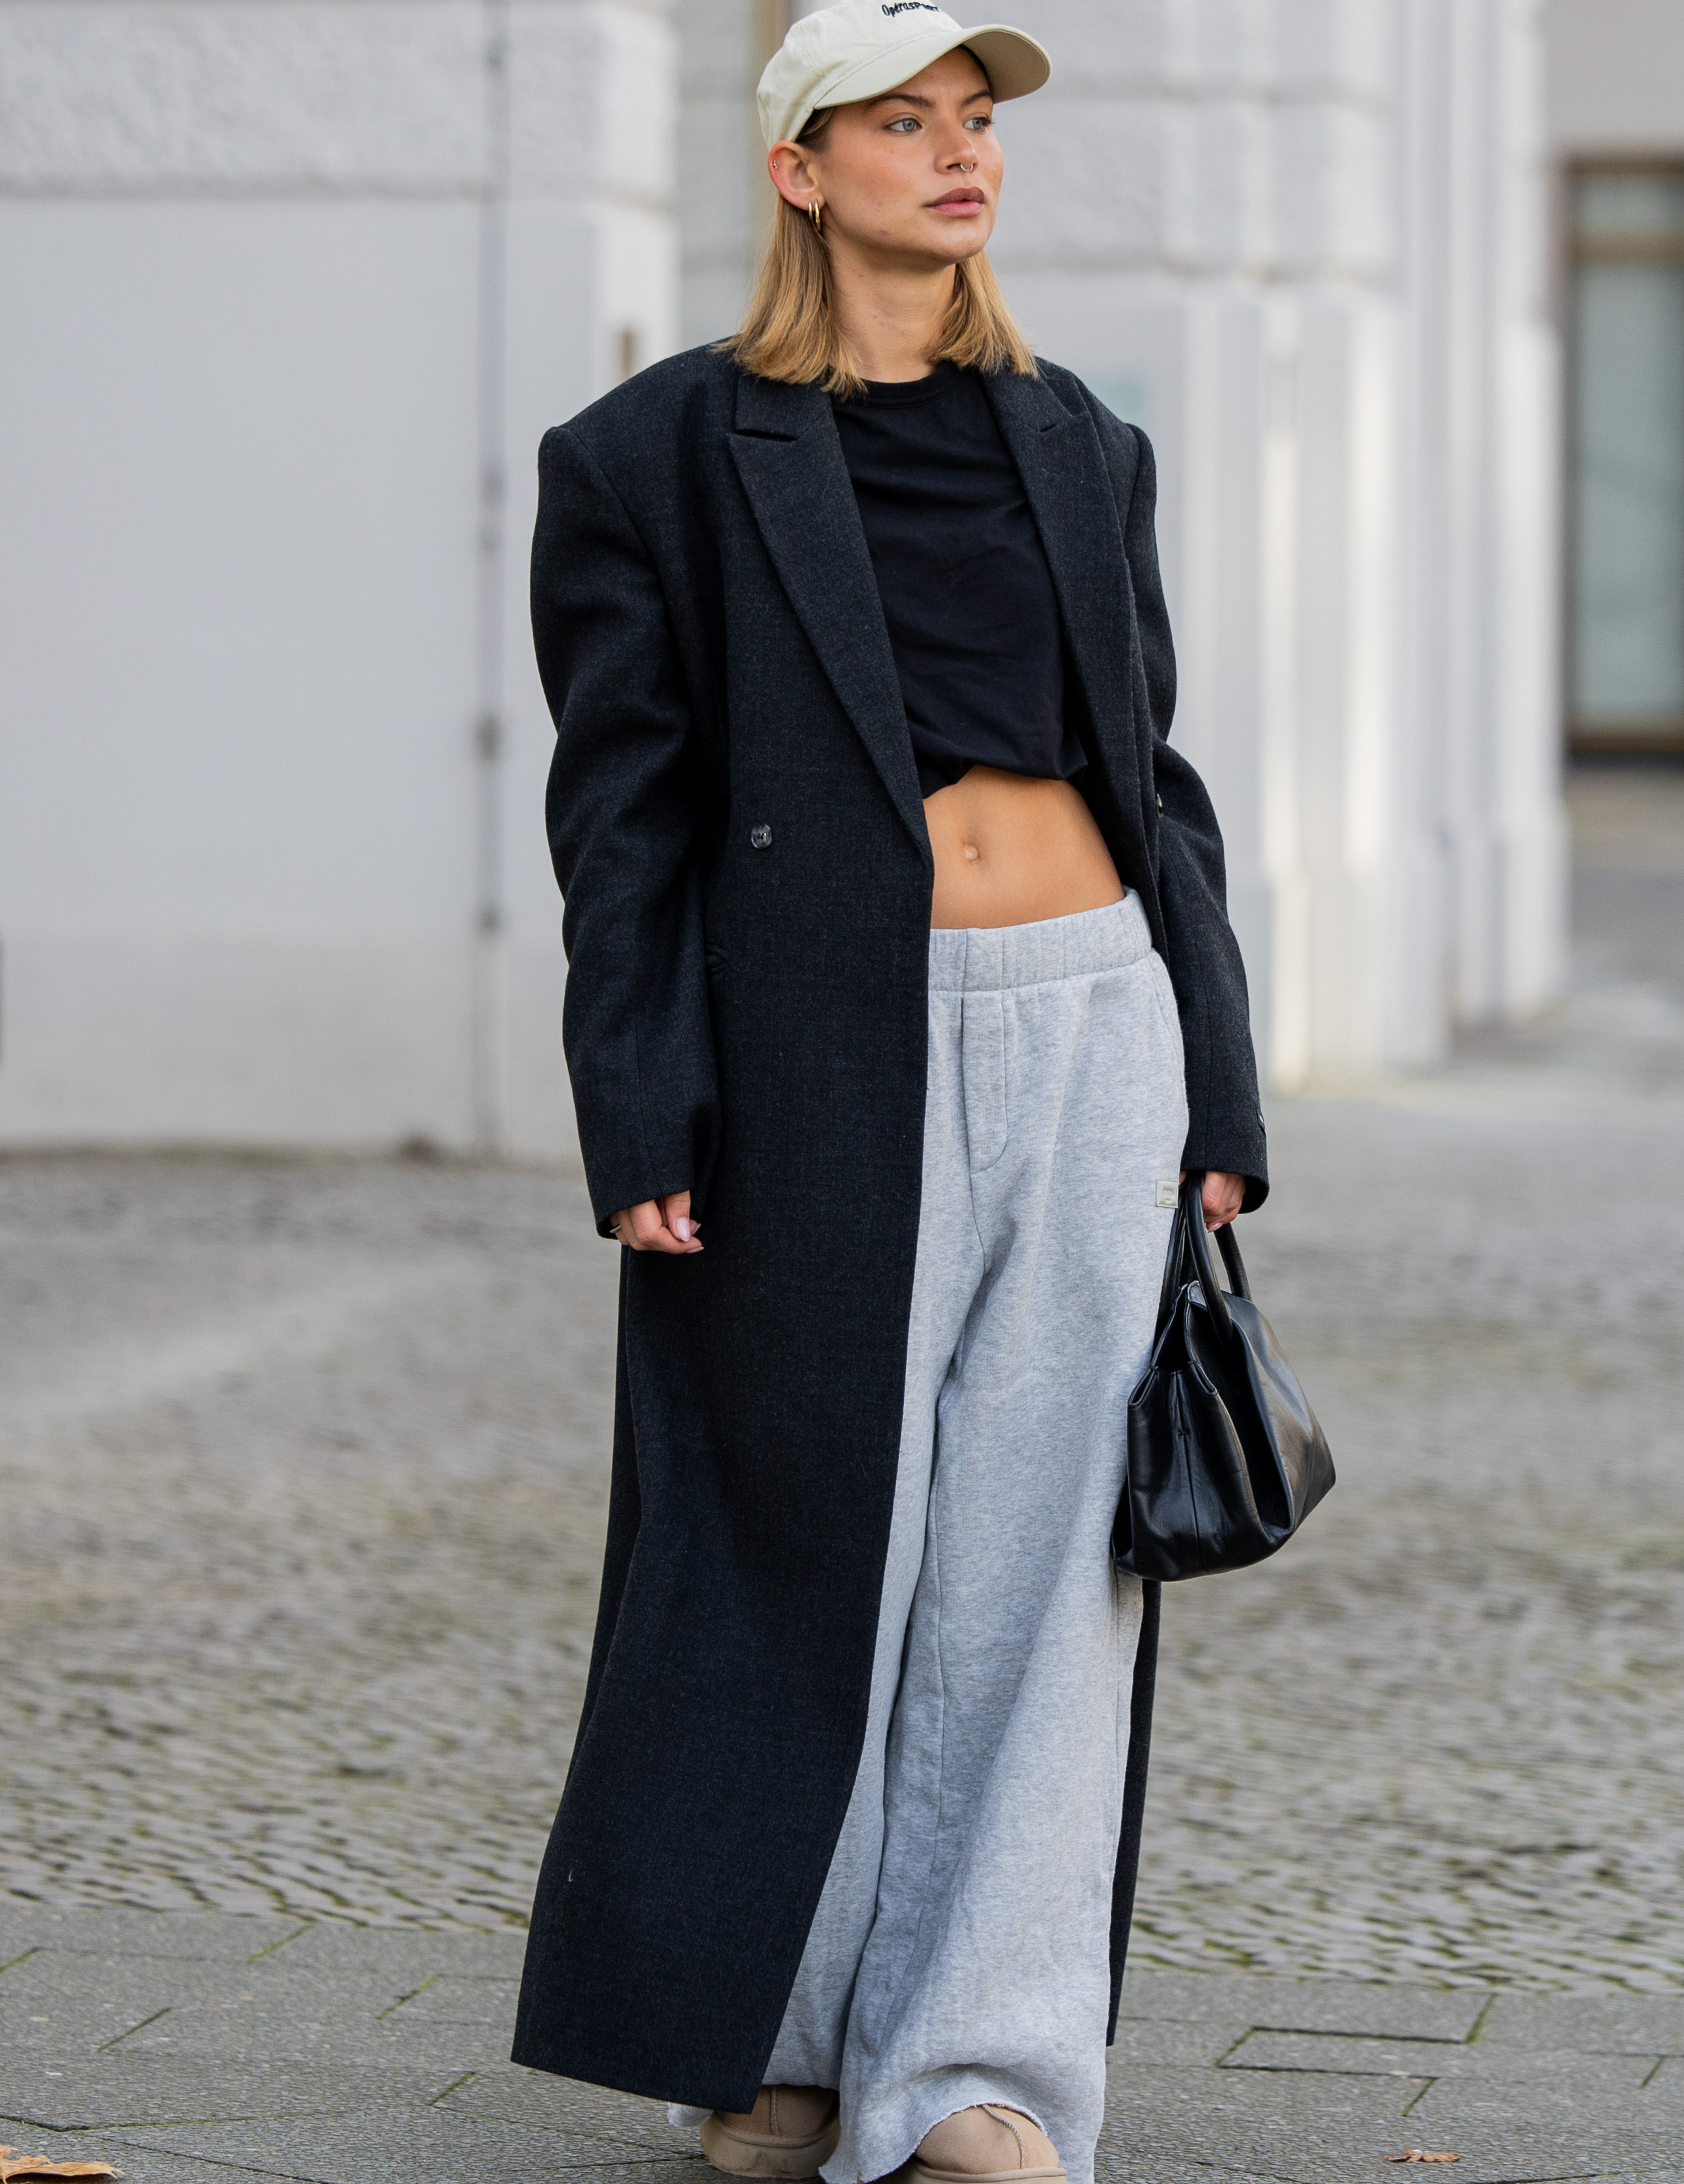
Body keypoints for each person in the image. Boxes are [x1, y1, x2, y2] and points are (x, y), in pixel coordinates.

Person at [509, 7, 1265, 2182]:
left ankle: (983, 2081)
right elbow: (622, 819)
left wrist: (1216, 1071)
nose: (956, 157)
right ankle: (777, 2046)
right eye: (900, 122)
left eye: (974, 122)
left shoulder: (1079, 442)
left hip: (1087, 1020)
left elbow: (1159, 783)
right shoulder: (651, 457)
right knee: (801, 1544)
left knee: (1040, 1575)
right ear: (797, 166)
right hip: (817, 1049)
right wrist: (637, 1104)